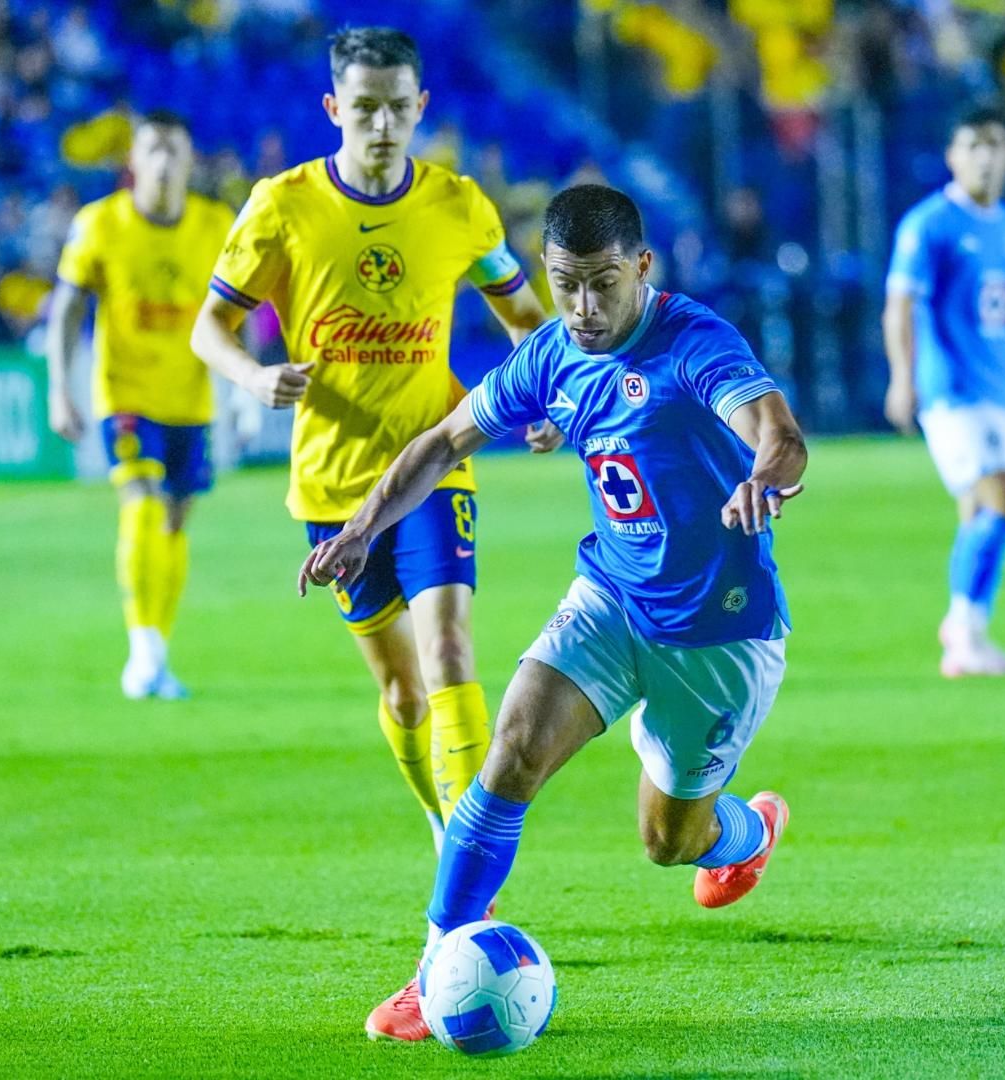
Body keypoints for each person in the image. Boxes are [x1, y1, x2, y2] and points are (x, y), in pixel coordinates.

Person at [300, 185, 807, 1041]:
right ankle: (434, 973)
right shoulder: (551, 355)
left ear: (642, 267)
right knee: (512, 751)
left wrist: (767, 476)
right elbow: (440, 443)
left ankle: (748, 829)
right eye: (565, 283)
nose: (582, 307)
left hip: (720, 631)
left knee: (668, 841)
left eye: (603, 283)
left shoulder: (695, 343)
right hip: (611, 599)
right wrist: (360, 528)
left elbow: (777, 432)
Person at [190, 27, 555, 851]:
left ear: (421, 106)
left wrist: (550, 397)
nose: (383, 126)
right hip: (331, 482)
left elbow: (527, 319)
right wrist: (251, 378)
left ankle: (471, 870)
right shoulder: (280, 206)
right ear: (332, 109)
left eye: (398, 109)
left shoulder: (460, 205)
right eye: (364, 110)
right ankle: (442, 822)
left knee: (451, 650)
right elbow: (209, 328)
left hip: (435, 461)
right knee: (402, 694)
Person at [47, 110, 234, 699]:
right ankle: (141, 647)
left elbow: (240, 307)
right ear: (133, 160)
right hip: (124, 393)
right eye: (152, 149)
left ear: (189, 159)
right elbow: (67, 308)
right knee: (141, 503)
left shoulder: (215, 224)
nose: (163, 161)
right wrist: (59, 386)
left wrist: (246, 389)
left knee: (176, 520)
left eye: (173, 150)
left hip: (190, 397)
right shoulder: (99, 223)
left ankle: (158, 651)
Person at [882, 104, 1005, 679]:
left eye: (995, 145)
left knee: (977, 512)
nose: (985, 157)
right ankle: (961, 628)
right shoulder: (928, 225)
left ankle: (969, 636)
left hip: (1002, 389)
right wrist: (902, 376)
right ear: (953, 157)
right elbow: (900, 304)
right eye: (973, 146)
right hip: (953, 390)